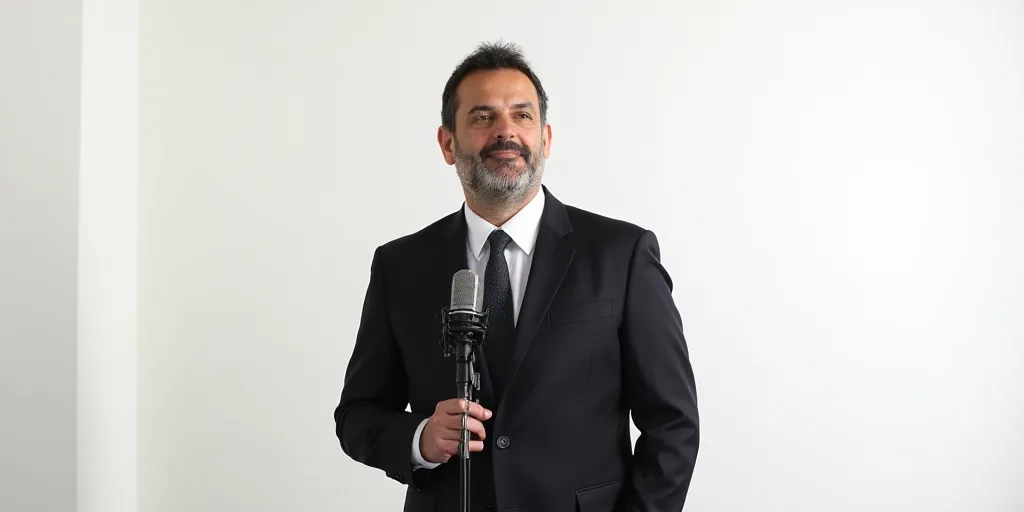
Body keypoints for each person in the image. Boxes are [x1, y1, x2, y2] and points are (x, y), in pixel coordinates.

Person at [334, 41, 699, 512]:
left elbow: (672, 424)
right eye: (482, 117)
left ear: (545, 138)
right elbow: (358, 415)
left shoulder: (621, 254)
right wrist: (421, 439)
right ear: (448, 143)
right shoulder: (400, 265)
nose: (506, 132)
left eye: (522, 116)